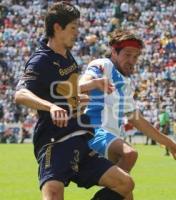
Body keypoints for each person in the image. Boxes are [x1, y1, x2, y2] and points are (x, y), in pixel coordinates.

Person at [14, 2, 134, 200]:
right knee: (53, 195)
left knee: (125, 183)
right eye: (73, 28)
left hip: (80, 141)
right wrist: (51, 107)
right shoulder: (41, 60)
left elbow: (66, 92)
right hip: (55, 141)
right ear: (57, 28)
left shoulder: (68, 58)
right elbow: (20, 94)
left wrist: (88, 88)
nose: (77, 32)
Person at [79, 29, 176, 179]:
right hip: (94, 131)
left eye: (135, 56)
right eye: (127, 55)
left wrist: (169, 142)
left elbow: (137, 120)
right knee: (130, 154)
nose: (132, 60)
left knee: (126, 191)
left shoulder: (126, 84)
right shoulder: (103, 64)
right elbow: (81, 84)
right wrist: (93, 83)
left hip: (111, 137)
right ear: (114, 52)